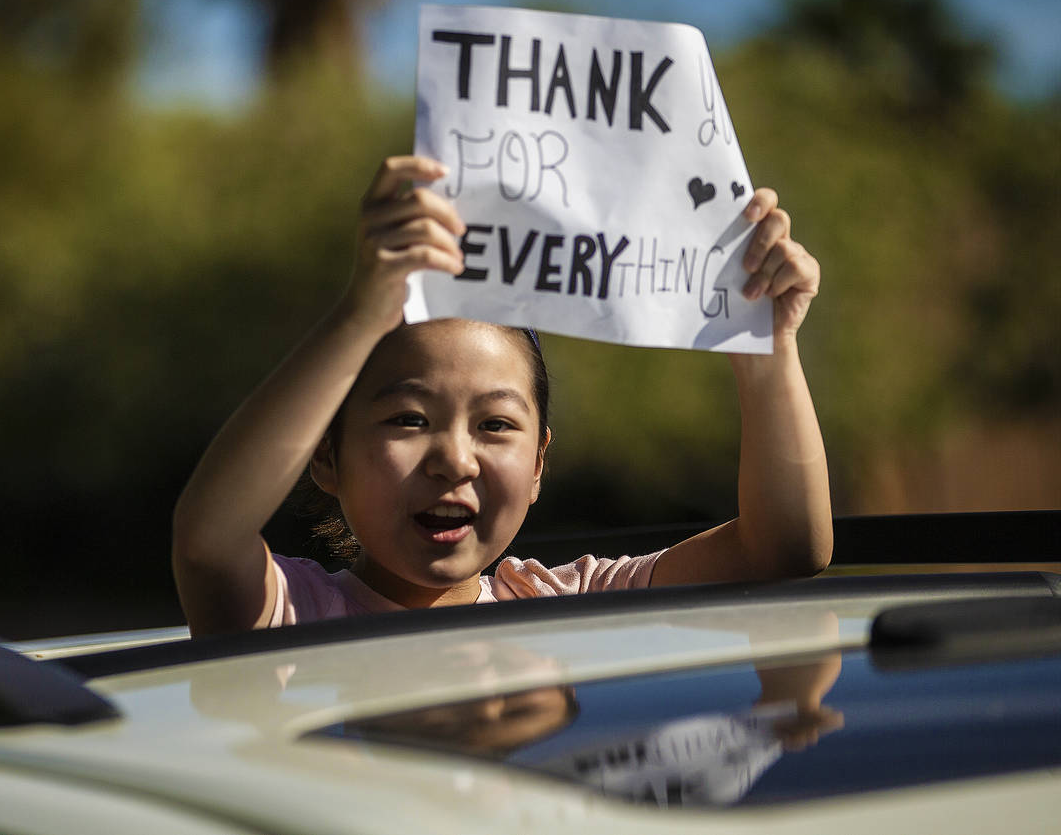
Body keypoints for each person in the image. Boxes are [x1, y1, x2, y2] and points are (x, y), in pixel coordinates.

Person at [173, 156, 832, 636]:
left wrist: (766, 350)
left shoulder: (561, 600)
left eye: (494, 425)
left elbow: (783, 551)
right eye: (409, 417)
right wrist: (358, 314)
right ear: (325, 455)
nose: (453, 459)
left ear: (540, 461)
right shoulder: (294, 612)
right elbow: (209, 539)